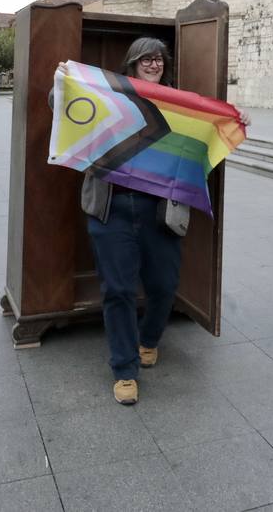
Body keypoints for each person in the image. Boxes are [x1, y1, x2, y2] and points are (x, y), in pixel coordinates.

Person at [61, 38, 248, 406]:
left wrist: (236, 118)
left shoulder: (178, 106)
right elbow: (63, 106)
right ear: (131, 63)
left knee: (164, 286)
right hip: (111, 209)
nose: (153, 64)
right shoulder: (110, 95)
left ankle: (148, 339)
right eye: (146, 58)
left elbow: (211, 128)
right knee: (118, 290)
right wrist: (62, 82)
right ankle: (124, 369)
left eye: (159, 59)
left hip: (160, 212)